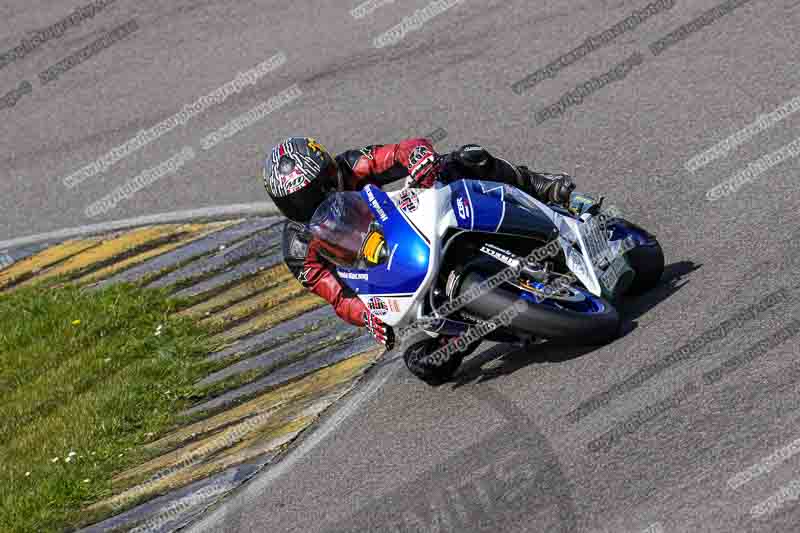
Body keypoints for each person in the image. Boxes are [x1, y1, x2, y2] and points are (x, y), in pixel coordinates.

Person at [263, 136, 590, 385]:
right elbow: (337, 294)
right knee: (425, 365)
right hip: (389, 275)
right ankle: (464, 327)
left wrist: (419, 156)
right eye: (296, 204)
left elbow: (398, 152)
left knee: (465, 158)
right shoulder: (297, 247)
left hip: (409, 227)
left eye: (313, 192)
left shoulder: (351, 166)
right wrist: (367, 316)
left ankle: (538, 186)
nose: (310, 205)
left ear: (328, 173)